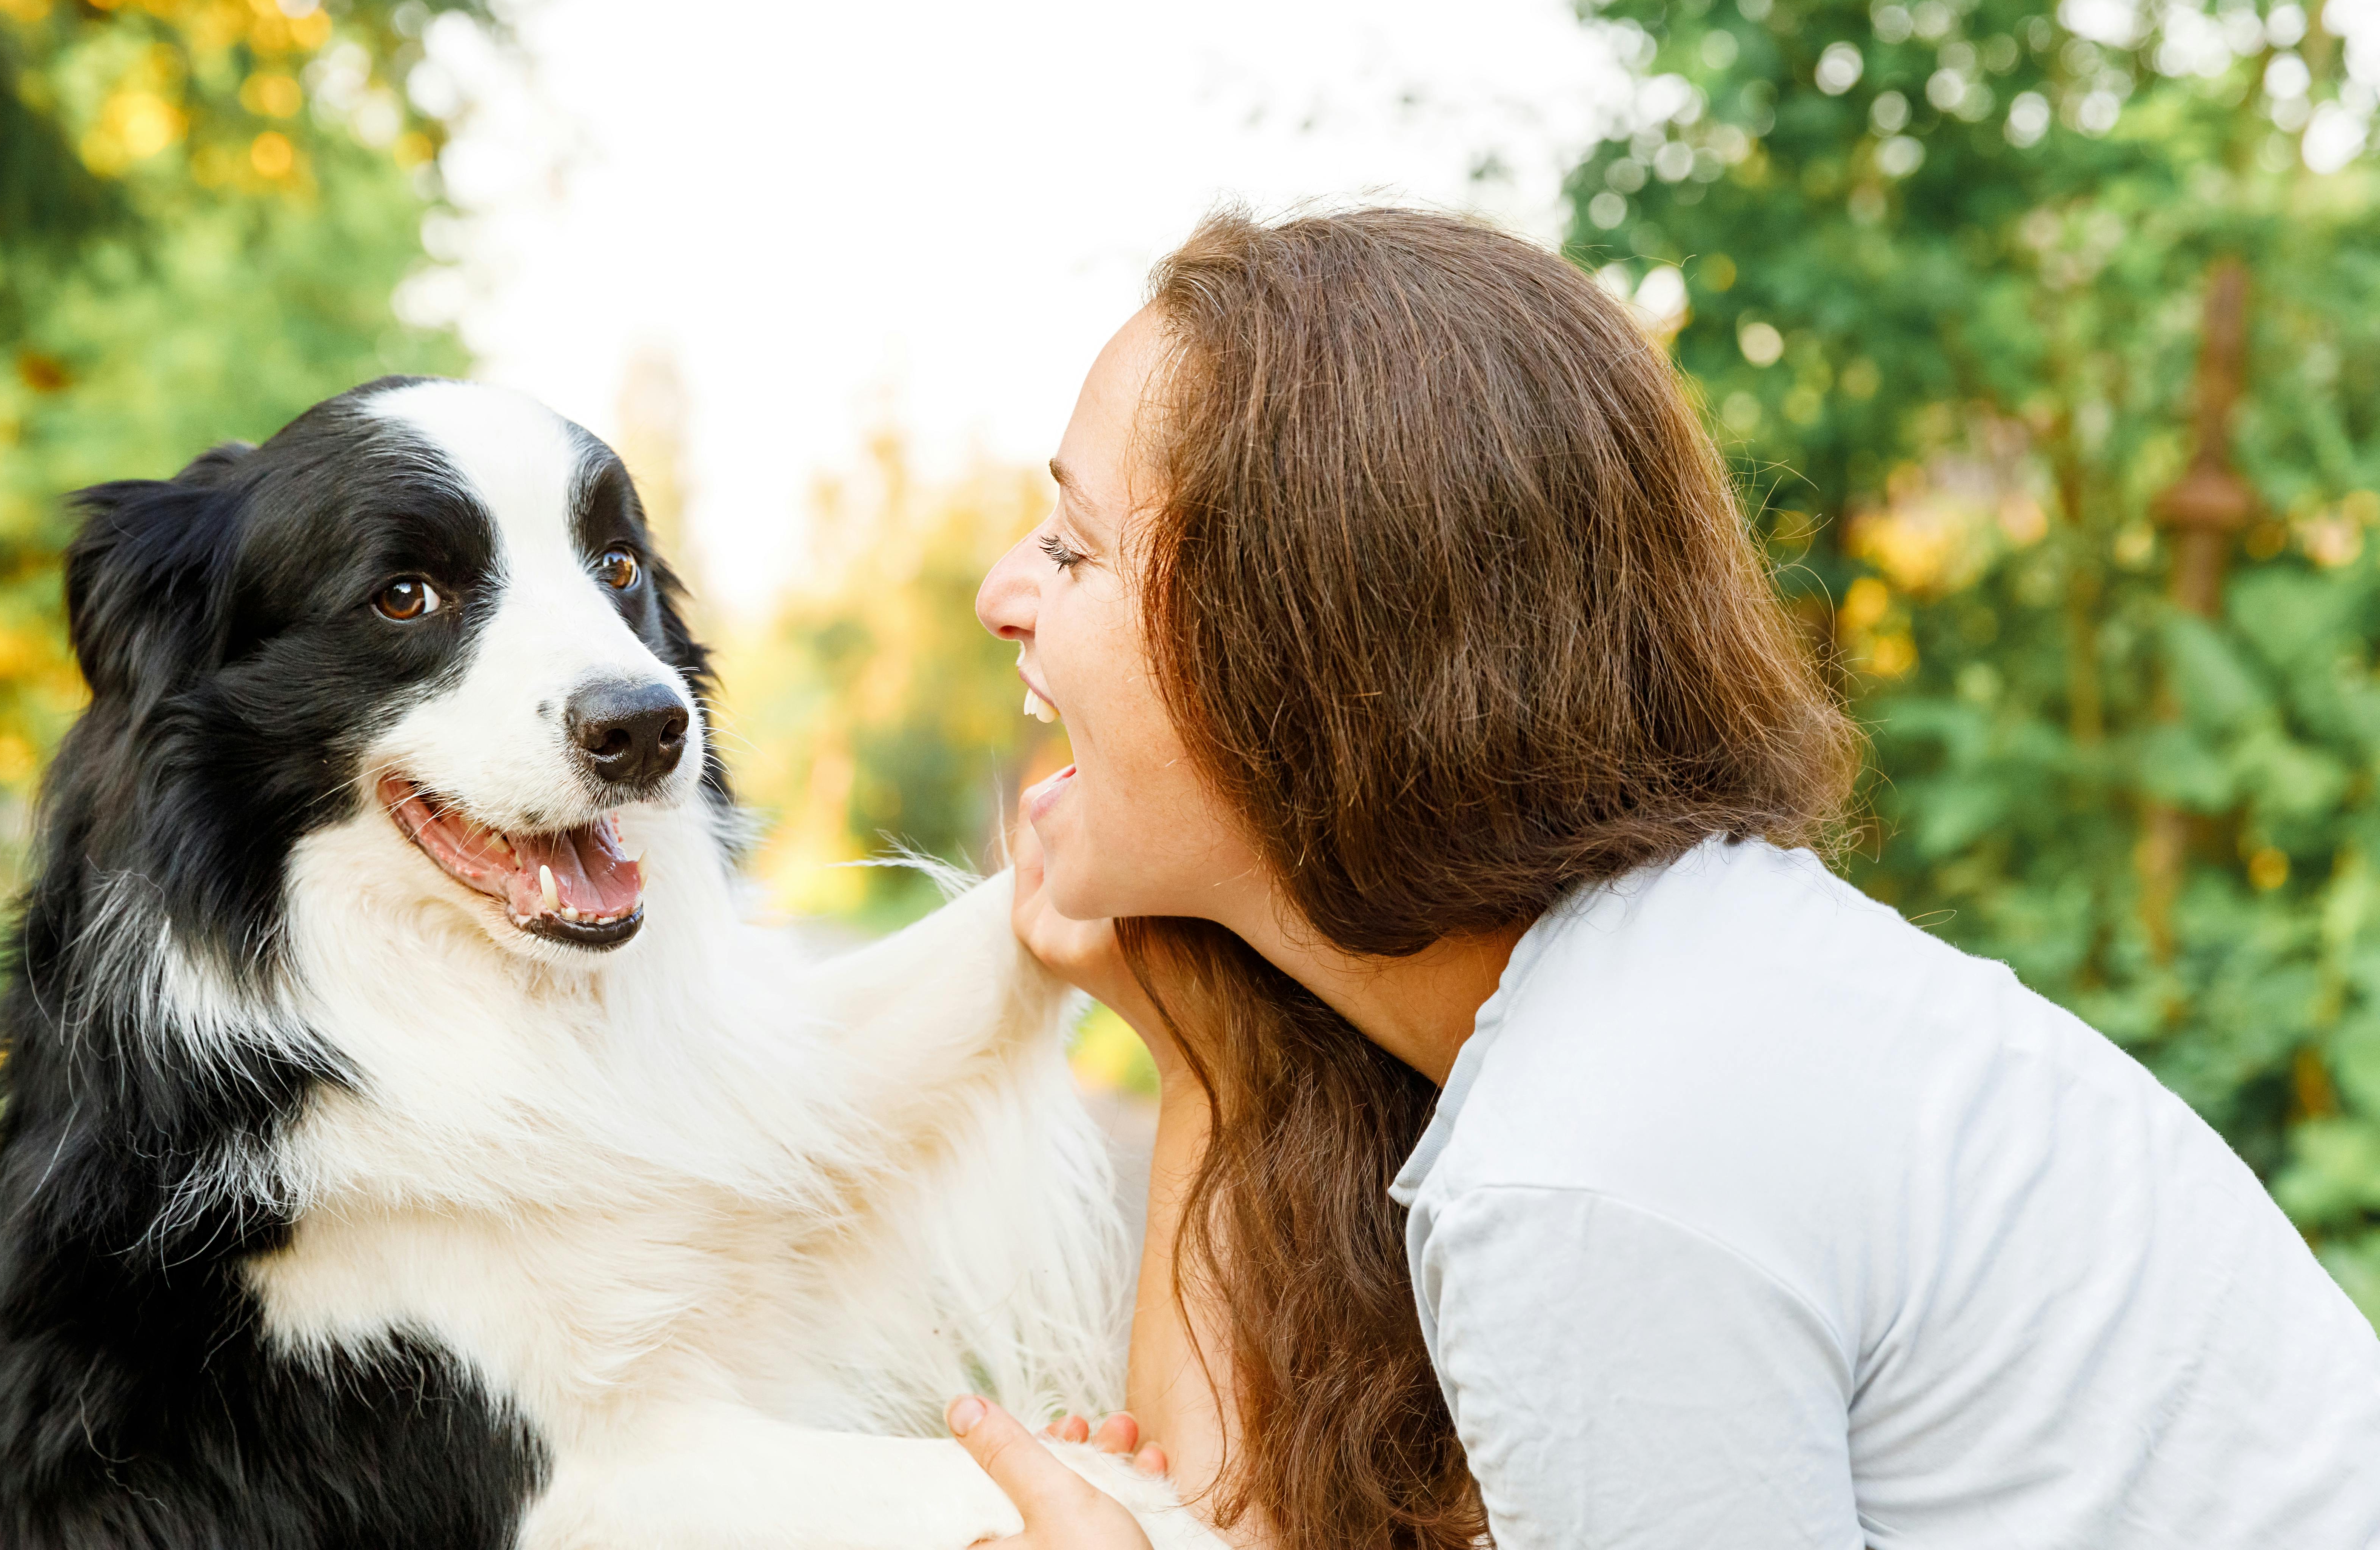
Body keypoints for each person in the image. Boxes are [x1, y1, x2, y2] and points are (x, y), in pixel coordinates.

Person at [940, 207, 2380, 1550]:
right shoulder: (1649, 993)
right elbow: (1232, 1512)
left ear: (1307, 664)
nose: (1005, 591)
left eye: (1076, 548)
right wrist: (1198, 1045)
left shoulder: (1595, 1163)